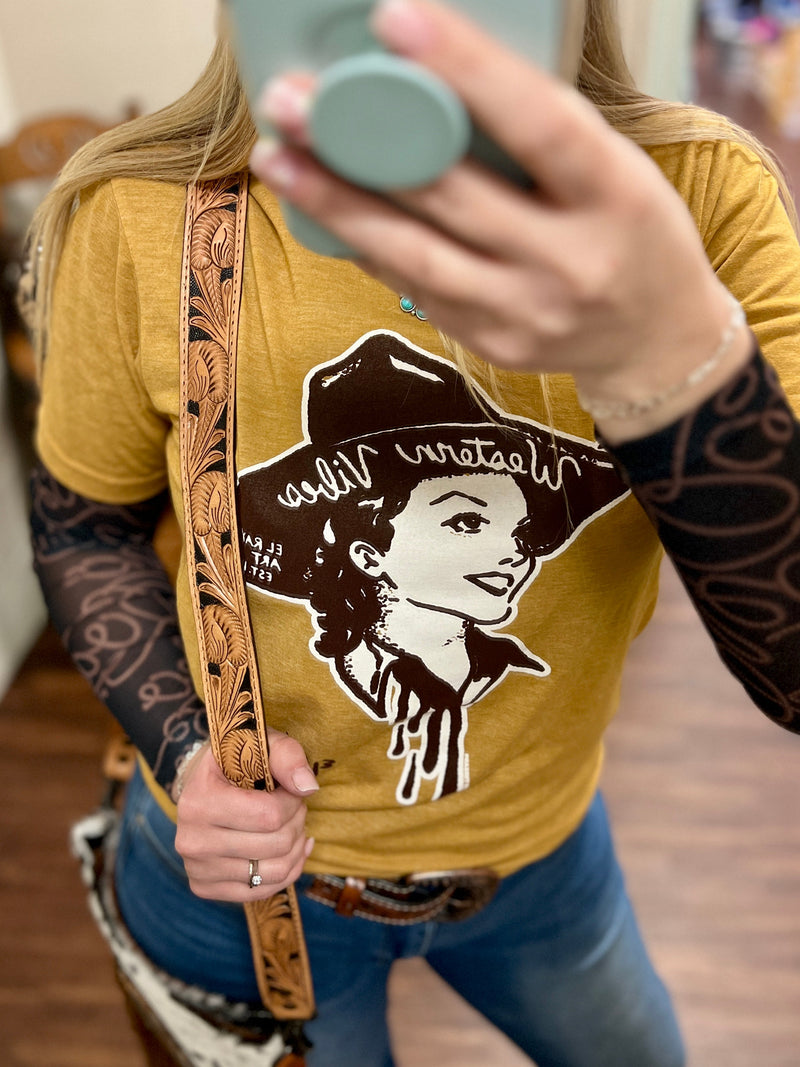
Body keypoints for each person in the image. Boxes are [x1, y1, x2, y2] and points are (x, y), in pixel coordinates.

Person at [27, 1, 800, 1065]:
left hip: (547, 858)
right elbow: (83, 525)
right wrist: (188, 749)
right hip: (256, 895)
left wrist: (658, 344)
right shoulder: (142, 214)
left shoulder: (694, 200)